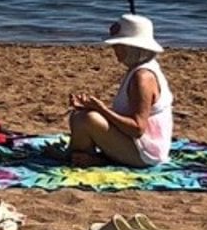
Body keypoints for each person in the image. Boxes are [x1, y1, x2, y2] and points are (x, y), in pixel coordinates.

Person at [67, 13, 173, 167]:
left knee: (87, 119)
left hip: (147, 153)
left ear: (132, 48)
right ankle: (84, 156)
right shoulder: (138, 70)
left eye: (118, 46)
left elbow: (137, 129)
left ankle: (85, 158)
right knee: (79, 116)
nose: (115, 51)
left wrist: (101, 109)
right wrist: (92, 107)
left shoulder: (142, 77)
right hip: (136, 143)